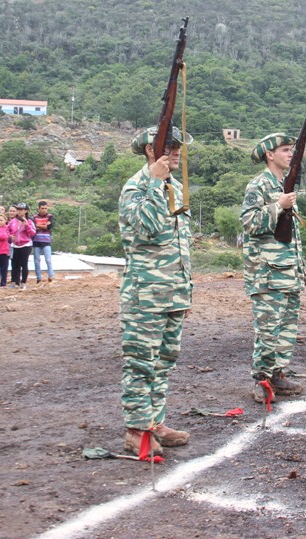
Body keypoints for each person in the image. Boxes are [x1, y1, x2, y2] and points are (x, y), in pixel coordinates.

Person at [118, 125, 194, 456]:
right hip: (145, 293)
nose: (177, 151)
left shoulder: (173, 186)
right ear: (152, 151)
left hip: (172, 290)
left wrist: (185, 287)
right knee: (141, 363)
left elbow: (182, 242)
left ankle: (155, 421)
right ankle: (137, 429)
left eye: (179, 146)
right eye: (171, 146)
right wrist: (152, 181)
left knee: (164, 361)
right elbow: (147, 226)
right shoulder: (136, 188)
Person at [240, 133, 306, 403]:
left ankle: (277, 373)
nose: (289, 154)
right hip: (267, 271)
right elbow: (249, 222)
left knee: (287, 326)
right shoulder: (259, 185)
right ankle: (262, 379)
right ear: (270, 154)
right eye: (285, 150)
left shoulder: (283, 183)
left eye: (291, 150)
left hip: (288, 269)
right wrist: (278, 205)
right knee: (268, 329)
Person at [7, 203, 35, 289]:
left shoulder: (29, 221)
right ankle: (14, 282)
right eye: (18, 209)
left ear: (26, 211)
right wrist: (10, 236)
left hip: (25, 245)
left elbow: (33, 233)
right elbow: (7, 230)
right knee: (14, 264)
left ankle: (23, 282)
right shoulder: (13, 221)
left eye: (21, 209)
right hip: (15, 245)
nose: (19, 211)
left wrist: (27, 226)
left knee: (24, 264)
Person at [31, 200, 55, 283]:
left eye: (45, 208)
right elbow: (33, 227)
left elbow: (48, 227)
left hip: (46, 241)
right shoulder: (34, 217)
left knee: (48, 259)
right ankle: (38, 277)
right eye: (42, 208)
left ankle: (51, 276)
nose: (44, 210)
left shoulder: (50, 216)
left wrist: (38, 225)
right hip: (36, 241)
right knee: (36, 260)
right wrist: (44, 225)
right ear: (38, 209)